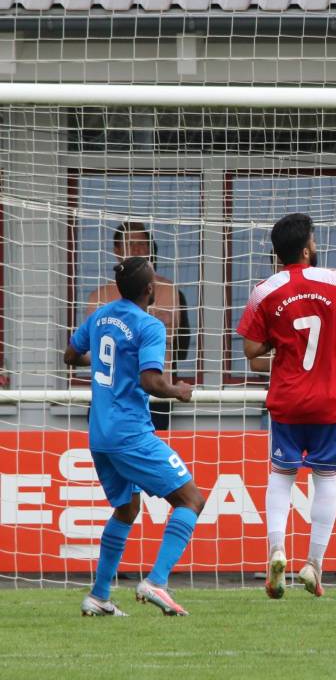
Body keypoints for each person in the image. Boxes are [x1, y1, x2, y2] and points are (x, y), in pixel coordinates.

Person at [237, 213, 336, 599]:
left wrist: (279, 341)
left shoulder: (264, 291)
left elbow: (252, 352)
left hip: (288, 398)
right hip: (331, 399)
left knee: (281, 478)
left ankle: (275, 550)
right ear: (306, 249)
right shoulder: (335, 281)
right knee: (326, 480)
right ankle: (314, 565)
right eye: (315, 240)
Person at [65, 256, 204, 617]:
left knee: (126, 510)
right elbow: (150, 381)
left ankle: (98, 596)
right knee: (191, 500)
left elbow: (70, 354)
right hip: (130, 433)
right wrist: (178, 391)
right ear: (149, 289)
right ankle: (156, 581)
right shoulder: (150, 325)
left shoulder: (100, 317)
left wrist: (98, 364)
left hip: (99, 434)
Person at [86, 222, 191, 431]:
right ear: (117, 251)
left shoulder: (171, 292)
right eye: (130, 244)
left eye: (142, 244)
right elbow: (86, 348)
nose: (137, 250)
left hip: (155, 393)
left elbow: (182, 343)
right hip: (109, 394)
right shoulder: (99, 297)